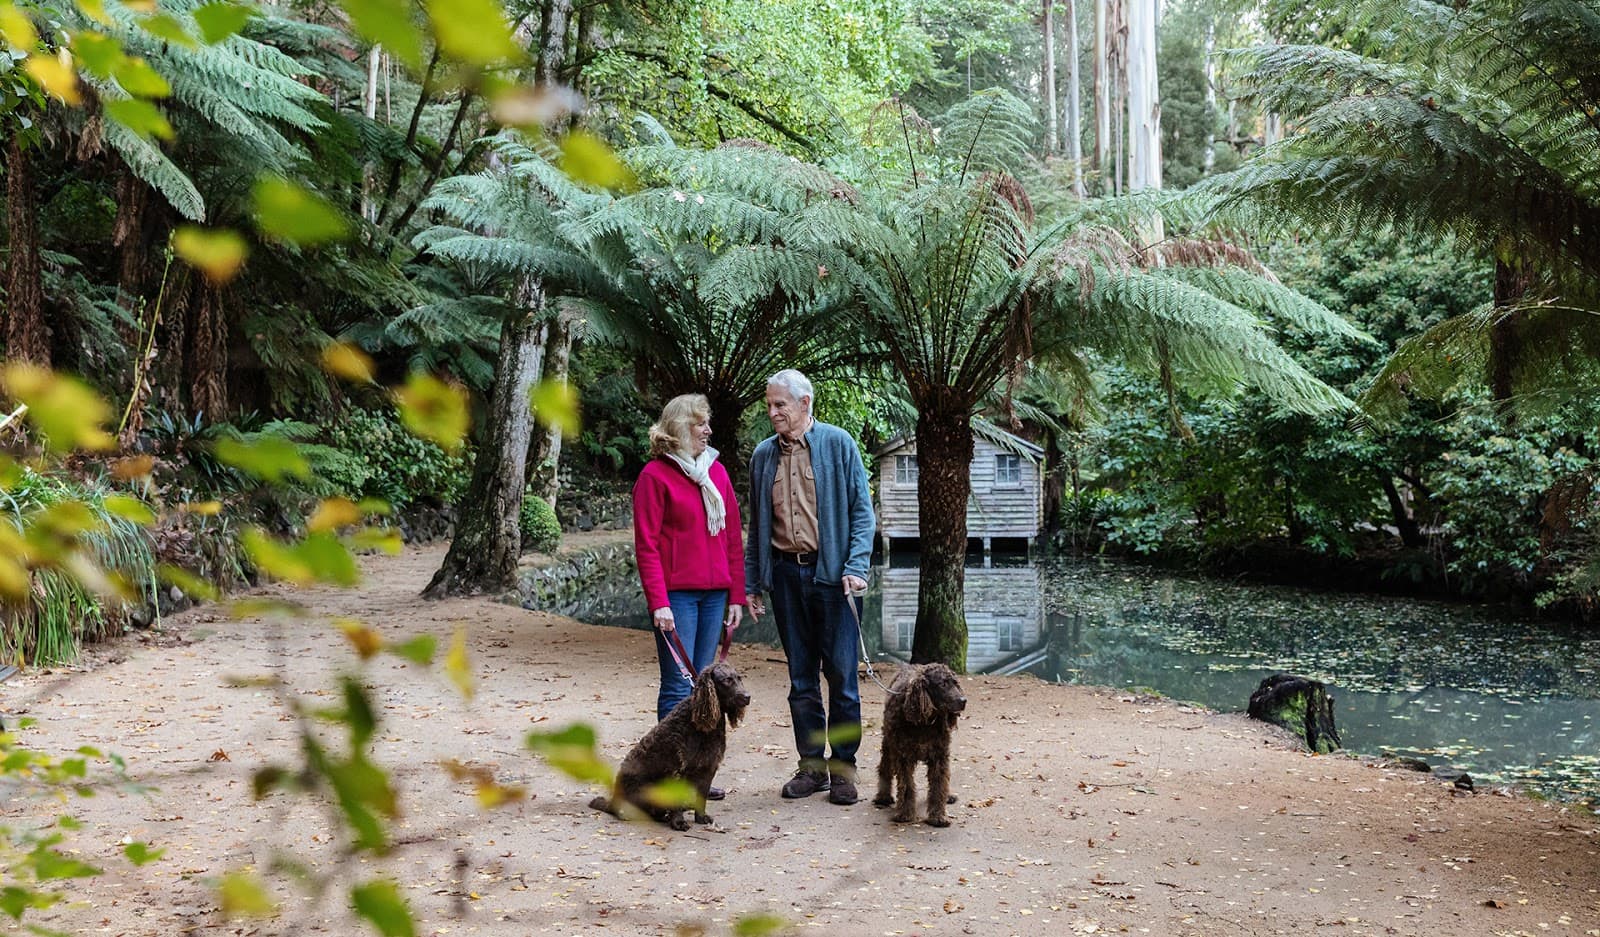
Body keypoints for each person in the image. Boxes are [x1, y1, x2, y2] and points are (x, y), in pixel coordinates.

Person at [744, 369, 874, 806]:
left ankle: (843, 770)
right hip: (784, 576)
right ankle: (812, 767)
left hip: (833, 579)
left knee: (842, 678)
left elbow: (862, 512)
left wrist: (856, 565)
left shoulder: (839, 445)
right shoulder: (763, 456)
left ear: (805, 403)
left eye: (780, 404)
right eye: (769, 405)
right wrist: (753, 581)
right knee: (801, 679)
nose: (773, 412)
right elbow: (758, 526)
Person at [633, 394, 747, 798]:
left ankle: (699, 774)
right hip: (677, 596)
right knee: (679, 687)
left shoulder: (717, 474)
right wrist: (659, 602)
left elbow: (732, 536)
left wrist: (737, 593)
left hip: (716, 594)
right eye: (701, 424)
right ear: (680, 428)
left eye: (708, 423)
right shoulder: (654, 477)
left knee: (708, 689)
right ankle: (669, 775)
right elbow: (646, 545)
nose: (708, 430)